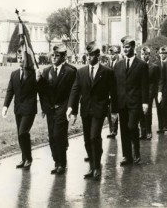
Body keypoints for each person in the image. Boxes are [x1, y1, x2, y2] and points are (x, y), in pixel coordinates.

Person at [66, 41, 118, 180]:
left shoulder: (107, 72)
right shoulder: (81, 72)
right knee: (87, 139)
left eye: (91, 55)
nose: (89, 58)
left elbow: (113, 93)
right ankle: (92, 164)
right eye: (87, 55)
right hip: (86, 110)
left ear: (98, 55)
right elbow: (75, 90)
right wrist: (72, 108)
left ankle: (96, 167)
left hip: (100, 109)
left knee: (94, 136)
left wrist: (114, 111)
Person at [39, 44, 76, 175]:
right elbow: (42, 92)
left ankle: (62, 163)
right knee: (52, 137)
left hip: (63, 108)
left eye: (57, 56)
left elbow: (73, 92)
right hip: (50, 109)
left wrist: (71, 109)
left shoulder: (70, 71)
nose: (54, 58)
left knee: (58, 135)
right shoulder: (46, 71)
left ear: (63, 57)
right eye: (53, 55)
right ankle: (56, 162)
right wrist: (44, 107)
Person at [114, 36, 149, 166]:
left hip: (135, 102)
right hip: (122, 103)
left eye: (127, 47)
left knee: (132, 126)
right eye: (124, 47)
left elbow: (144, 85)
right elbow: (115, 86)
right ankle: (127, 156)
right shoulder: (118, 65)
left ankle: (137, 151)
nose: (125, 49)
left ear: (133, 48)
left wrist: (145, 103)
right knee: (123, 129)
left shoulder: (142, 65)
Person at [2, 59, 41, 169]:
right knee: (20, 135)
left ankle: (28, 158)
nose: (20, 60)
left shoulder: (33, 74)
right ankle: (24, 158)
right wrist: (5, 106)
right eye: (18, 57)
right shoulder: (14, 74)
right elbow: (10, 91)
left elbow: (41, 90)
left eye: (22, 57)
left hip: (29, 109)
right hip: (18, 109)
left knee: (23, 132)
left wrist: (39, 79)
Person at [139, 46, 160, 140]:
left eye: (146, 54)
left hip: (150, 92)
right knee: (140, 112)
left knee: (147, 112)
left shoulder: (154, 67)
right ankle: (142, 132)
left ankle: (148, 131)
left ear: (149, 55)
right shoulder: (138, 66)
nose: (144, 56)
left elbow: (157, 81)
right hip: (139, 92)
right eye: (142, 54)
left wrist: (155, 93)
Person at [106, 45, 121, 139]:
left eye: (113, 53)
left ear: (117, 54)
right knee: (109, 112)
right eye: (110, 54)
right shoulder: (107, 65)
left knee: (116, 111)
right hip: (109, 92)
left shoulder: (120, 64)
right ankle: (112, 130)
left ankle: (115, 130)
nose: (111, 55)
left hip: (118, 92)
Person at [156, 45, 167, 133]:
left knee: (166, 107)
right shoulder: (156, 64)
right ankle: (161, 127)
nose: (162, 55)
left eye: (164, 53)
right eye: (161, 53)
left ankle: (166, 125)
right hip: (158, 89)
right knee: (159, 108)